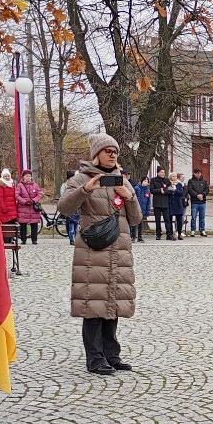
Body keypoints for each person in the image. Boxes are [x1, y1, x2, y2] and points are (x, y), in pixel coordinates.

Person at [57, 133, 142, 375]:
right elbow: (64, 208)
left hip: (119, 251)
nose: (113, 154)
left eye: (115, 151)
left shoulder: (121, 181)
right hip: (94, 251)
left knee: (113, 303)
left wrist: (131, 197)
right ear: (96, 154)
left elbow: (136, 219)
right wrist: (85, 189)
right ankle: (94, 358)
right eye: (108, 151)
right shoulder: (81, 178)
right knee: (93, 304)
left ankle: (111, 355)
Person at [15, 169, 43, 245]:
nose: (28, 177)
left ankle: (34, 239)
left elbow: (40, 194)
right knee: (23, 225)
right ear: (23, 177)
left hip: (33, 208)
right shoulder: (20, 185)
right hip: (23, 208)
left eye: (29, 176)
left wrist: (34, 200)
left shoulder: (35, 185)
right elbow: (17, 195)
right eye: (27, 176)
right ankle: (23, 239)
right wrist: (24, 201)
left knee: (34, 225)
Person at [150, 167, 173, 241]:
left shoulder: (167, 180)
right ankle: (158, 234)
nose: (163, 174)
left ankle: (169, 234)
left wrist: (165, 192)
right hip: (157, 202)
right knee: (158, 219)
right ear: (158, 173)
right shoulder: (153, 180)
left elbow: (170, 189)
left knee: (167, 219)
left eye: (164, 172)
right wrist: (160, 190)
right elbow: (152, 190)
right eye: (161, 172)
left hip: (165, 202)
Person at [186, 167, 209, 237]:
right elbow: (190, 190)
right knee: (193, 217)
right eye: (196, 173)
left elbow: (207, 189)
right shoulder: (190, 181)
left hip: (202, 202)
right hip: (194, 202)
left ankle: (202, 230)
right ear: (194, 174)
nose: (198, 174)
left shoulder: (204, 181)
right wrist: (197, 195)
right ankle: (193, 230)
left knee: (202, 217)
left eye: (199, 173)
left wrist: (203, 194)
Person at [61, 170, 80, 245]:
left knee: (76, 225)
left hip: (76, 207)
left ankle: (76, 239)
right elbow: (63, 195)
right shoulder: (64, 186)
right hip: (68, 207)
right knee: (71, 225)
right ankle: (71, 239)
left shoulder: (76, 185)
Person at [133, 175, 151, 241]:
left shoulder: (147, 190)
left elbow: (148, 201)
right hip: (136, 208)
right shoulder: (137, 188)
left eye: (147, 181)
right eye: (145, 181)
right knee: (135, 223)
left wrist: (147, 210)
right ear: (142, 181)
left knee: (141, 223)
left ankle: (140, 236)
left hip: (143, 208)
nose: (146, 182)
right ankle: (133, 236)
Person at [170, 173, 186, 240]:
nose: (175, 177)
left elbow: (181, 193)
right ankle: (170, 234)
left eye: (176, 176)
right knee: (169, 219)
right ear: (170, 177)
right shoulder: (169, 184)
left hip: (178, 203)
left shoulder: (179, 184)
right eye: (173, 176)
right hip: (171, 203)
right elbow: (167, 192)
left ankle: (179, 234)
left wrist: (174, 190)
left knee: (179, 219)